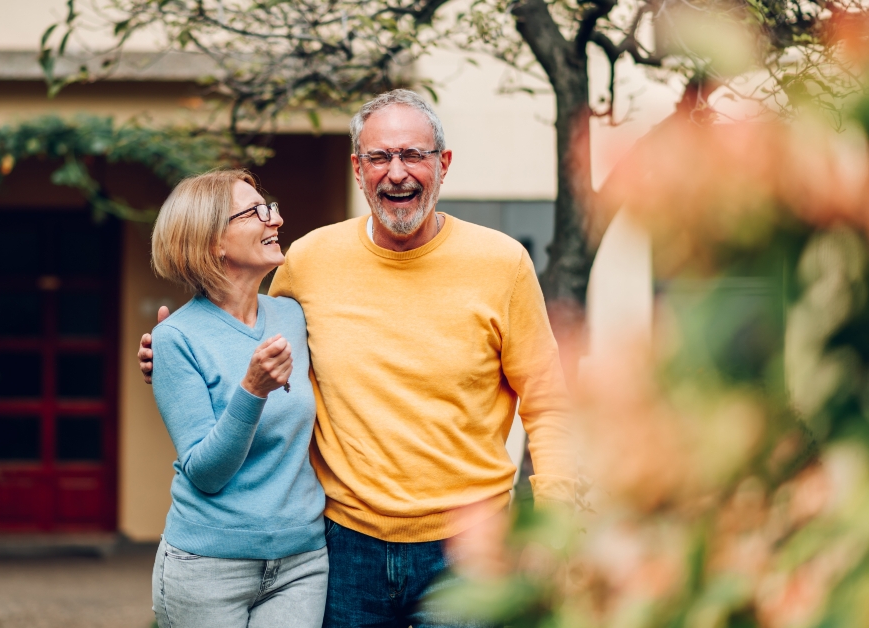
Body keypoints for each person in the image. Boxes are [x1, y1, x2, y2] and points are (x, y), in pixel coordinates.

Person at [141, 90, 575, 628]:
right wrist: (171, 356)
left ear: (443, 164)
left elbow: (547, 402)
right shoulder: (309, 260)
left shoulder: (503, 263)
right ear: (357, 169)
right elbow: (245, 335)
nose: (396, 173)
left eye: (413, 154)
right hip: (341, 548)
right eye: (379, 157)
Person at [146, 169, 328, 628]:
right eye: (257, 212)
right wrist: (252, 391)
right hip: (207, 566)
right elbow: (205, 475)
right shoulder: (176, 338)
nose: (278, 219)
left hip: (301, 561)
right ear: (213, 243)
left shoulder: (293, 316)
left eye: (272, 207)